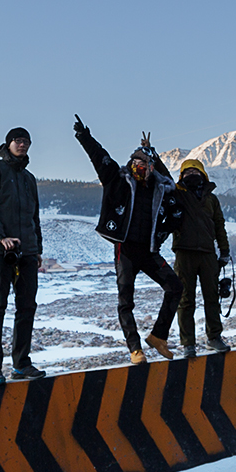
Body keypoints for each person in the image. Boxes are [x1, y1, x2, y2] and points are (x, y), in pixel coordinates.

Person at [73, 115, 182, 363]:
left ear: (152, 166)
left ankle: (158, 336)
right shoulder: (118, 179)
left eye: (144, 161)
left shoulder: (159, 187)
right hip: (126, 250)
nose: (139, 164)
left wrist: (152, 151)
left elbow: (173, 193)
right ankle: (135, 349)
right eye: (135, 160)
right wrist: (84, 136)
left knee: (175, 287)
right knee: (126, 301)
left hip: (149, 250)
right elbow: (99, 157)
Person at [0, 126, 46, 385]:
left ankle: (21, 364)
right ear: (8, 144)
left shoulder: (29, 179)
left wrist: (37, 249)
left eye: (26, 141)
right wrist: (0, 237)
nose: (22, 144)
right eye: (18, 140)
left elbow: (34, 217)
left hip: (27, 251)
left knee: (27, 307)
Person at [168, 158, 231, 354]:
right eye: (186, 173)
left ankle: (214, 337)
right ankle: (188, 344)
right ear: (181, 177)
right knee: (186, 299)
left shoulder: (211, 199)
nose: (191, 175)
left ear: (203, 175)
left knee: (212, 297)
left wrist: (224, 251)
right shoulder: (178, 194)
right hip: (184, 252)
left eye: (194, 172)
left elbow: (219, 225)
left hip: (207, 253)